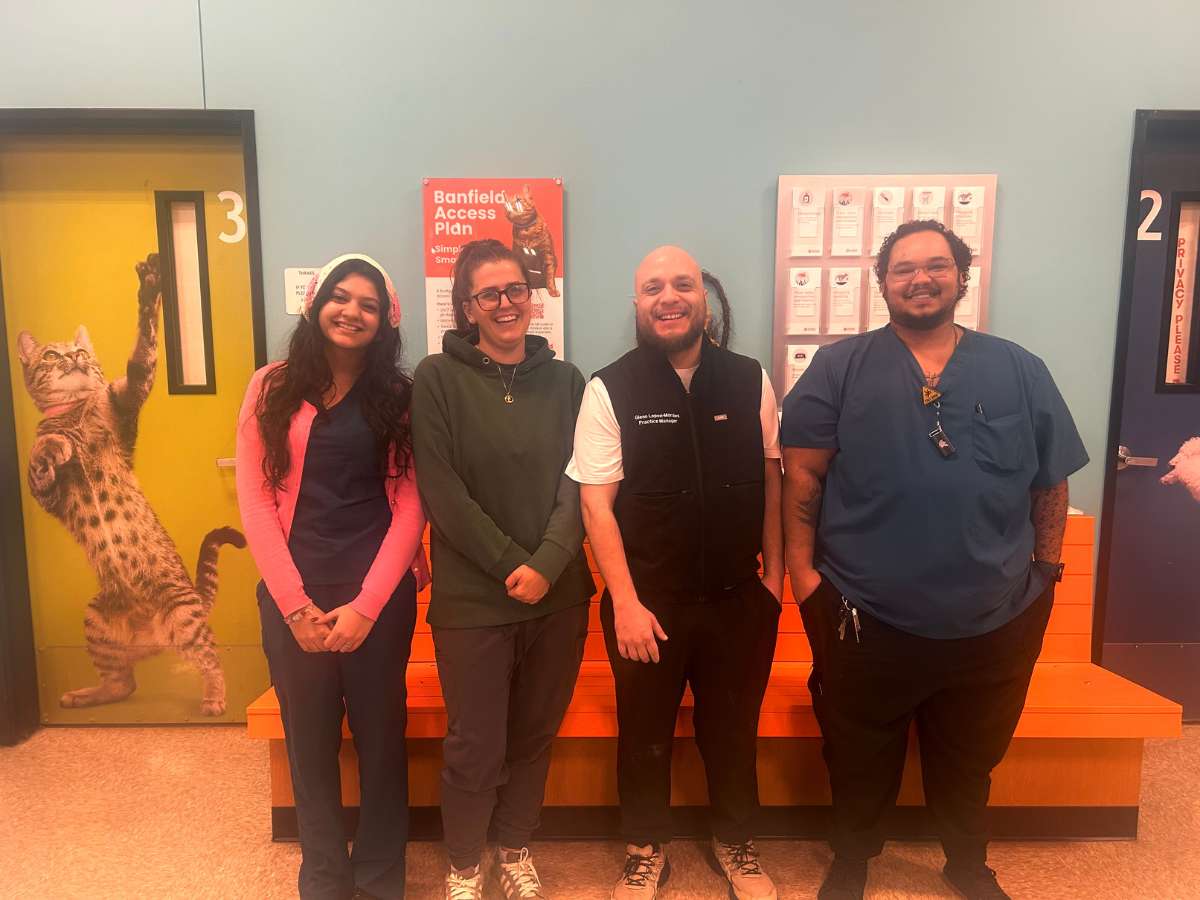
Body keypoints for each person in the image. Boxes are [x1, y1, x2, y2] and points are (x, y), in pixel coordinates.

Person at [780, 220, 1089, 900]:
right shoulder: (839, 368)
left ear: (961, 276)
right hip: (864, 614)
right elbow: (802, 476)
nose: (921, 278)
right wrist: (803, 580)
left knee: (971, 757)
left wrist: (1047, 573)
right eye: (904, 268)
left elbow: (1051, 478)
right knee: (858, 754)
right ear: (882, 282)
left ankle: (967, 864)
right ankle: (853, 858)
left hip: (996, 613)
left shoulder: (1019, 368)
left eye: (936, 266)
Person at [569, 245, 783, 900]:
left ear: (704, 299)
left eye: (683, 284)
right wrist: (625, 603)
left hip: (738, 600)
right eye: (654, 286)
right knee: (644, 732)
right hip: (647, 604)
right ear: (637, 304)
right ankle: (644, 848)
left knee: (732, 727)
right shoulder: (610, 386)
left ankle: (735, 840)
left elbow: (774, 478)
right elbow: (595, 506)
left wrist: (772, 581)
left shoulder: (750, 378)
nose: (669, 296)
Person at [236, 253, 428, 900]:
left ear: (385, 321)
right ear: (317, 305)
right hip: (295, 601)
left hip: (377, 600)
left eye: (368, 304)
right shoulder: (271, 386)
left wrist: (368, 607)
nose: (351, 311)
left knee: (381, 744)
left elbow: (410, 506)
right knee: (310, 748)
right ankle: (322, 879)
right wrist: (294, 606)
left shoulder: (399, 399)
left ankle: (379, 882)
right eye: (340, 298)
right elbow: (256, 501)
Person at [411, 238, 595, 900]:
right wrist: (510, 564)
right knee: (475, 746)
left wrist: (547, 563)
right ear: (468, 306)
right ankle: (464, 863)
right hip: (472, 602)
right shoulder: (436, 378)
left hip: (559, 596)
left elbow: (583, 479)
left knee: (532, 737)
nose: (506, 302)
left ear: (533, 294)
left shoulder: (568, 381)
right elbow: (441, 488)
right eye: (490, 293)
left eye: (516, 288)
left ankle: (515, 847)